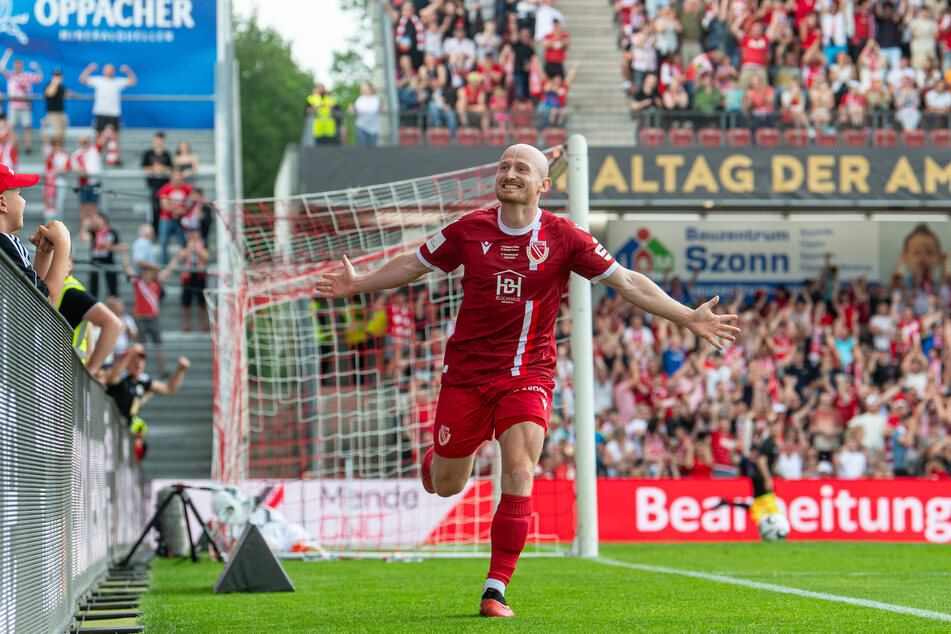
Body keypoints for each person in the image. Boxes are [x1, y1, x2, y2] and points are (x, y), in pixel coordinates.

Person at [314, 144, 739, 617]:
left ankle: (495, 588)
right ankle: (440, 460)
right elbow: (413, 265)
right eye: (503, 166)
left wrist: (687, 317)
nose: (509, 173)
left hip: (529, 372)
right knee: (449, 484)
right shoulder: (468, 231)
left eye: (521, 168)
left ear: (544, 184)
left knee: (519, 469)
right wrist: (359, 283)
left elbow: (628, 282)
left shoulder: (564, 237)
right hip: (467, 376)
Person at [0, 162, 70, 306]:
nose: (24, 201)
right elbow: (44, 310)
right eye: (20, 194)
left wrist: (43, 254)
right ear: (2, 203)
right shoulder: (5, 243)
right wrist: (63, 244)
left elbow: (28, 303)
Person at [715, 418, 788, 540]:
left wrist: (778, 474)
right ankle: (776, 530)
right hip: (760, 477)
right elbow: (761, 461)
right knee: (766, 507)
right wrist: (768, 478)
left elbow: (771, 464)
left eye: (778, 427)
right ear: (770, 429)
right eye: (774, 427)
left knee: (756, 507)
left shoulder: (775, 444)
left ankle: (727, 503)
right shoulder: (768, 443)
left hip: (761, 477)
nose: (776, 430)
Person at [120, 246, 185, 378]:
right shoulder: (137, 282)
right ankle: (138, 370)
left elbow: (168, 270)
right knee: (140, 347)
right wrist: (124, 254)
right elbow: (127, 269)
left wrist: (176, 258)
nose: (147, 274)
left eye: (149, 271)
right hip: (140, 318)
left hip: (153, 318)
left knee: (159, 345)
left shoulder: (157, 282)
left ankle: (163, 369)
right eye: (145, 271)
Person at [55, 258, 122, 375]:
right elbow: (89, 326)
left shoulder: (71, 293)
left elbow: (114, 324)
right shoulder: (66, 289)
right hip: (67, 372)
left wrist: (91, 370)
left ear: (69, 264)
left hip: (66, 373)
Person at [104, 342, 190, 424]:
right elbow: (112, 378)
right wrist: (131, 354)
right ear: (127, 362)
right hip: (106, 420)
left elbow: (169, 389)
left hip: (122, 428)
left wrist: (180, 370)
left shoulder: (143, 381)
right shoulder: (121, 377)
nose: (138, 365)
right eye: (135, 361)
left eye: (141, 361)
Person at [1, 48, 42, 154]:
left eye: (20, 65)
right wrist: (6, 56)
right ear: (14, 66)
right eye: (16, 65)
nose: (18, 67)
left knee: (27, 126)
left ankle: (28, 147)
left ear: (22, 66)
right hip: (13, 105)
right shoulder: (11, 75)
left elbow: (39, 78)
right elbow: (2, 68)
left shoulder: (27, 76)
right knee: (11, 127)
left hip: (25, 105)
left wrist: (37, 67)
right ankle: (13, 145)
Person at [78, 62, 137, 132]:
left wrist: (128, 71)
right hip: (100, 111)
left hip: (114, 112)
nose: (109, 71)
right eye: (107, 69)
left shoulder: (118, 81)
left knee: (114, 135)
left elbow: (133, 81)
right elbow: (83, 79)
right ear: (103, 71)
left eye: (111, 69)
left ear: (114, 71)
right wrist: (89, 69)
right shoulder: (98, 80)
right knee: (99, 133)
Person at [80, 211, 121, 298]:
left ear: (103, 219)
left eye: (96, 219)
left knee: (112, 286)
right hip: (95, 261)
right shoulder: (93, 232)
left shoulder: (111, 232)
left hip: (108, 260)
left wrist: (110, 247)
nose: (94, 222)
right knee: (93, 287)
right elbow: (83, 239)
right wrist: (84, 226)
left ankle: (112, 303)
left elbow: (119, 247)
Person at [156, 169, 192, 266]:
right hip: (166, 218)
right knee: (163, 242)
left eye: (179, 178)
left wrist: (181, 211)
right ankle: (164, 264)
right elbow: (164, 205)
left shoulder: (187, 188)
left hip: (180, 219)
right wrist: (177, 211)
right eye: (175, 178)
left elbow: (191, 202)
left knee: (184, 242)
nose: (177, 180)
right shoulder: (166, 188)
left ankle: (185, 263)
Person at [141, 131, 173, 234]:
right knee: (153, 208)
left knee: (163, 208)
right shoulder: (148, 154)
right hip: (152, 185)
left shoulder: (166, 154)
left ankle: (163, 230)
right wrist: (155, 169)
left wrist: (161, 169)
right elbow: (144, 168)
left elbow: (170, 169)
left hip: (164, 186)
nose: (159, 142)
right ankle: (154, 230)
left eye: (161, 140)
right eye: (157, 139)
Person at [71, 133, 102, 227]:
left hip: (95, 182)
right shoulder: (76, 154)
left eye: (86, 141)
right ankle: (84, 229)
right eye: (82, 142)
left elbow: (101, 140)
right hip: (84, 182)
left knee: (94, 206)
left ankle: (94, 228)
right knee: (83, 207)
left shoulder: (94, 151)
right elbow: (75, 168)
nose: (84, 143)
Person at [349, 82, 384, 147]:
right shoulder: (359, 100)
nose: (366, 91)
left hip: (374, 127)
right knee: (363, 145)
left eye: (367, 89)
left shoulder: (376, 99)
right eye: (364, 89)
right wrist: (351, 108)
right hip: (361, 126)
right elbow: (352, 111)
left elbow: (382, 109)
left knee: (372, 146)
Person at [43, 68, 69, 142]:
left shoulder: (61, 86)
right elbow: (50, 93)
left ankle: (59, 149)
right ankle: (55, 150)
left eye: (59, 75)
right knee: (57, 134)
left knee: (62, 134)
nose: (58, 77)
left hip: (61, 112)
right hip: (53, 113)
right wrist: (55, 83)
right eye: (56, 75)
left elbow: (65, 92)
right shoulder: (50, 85)